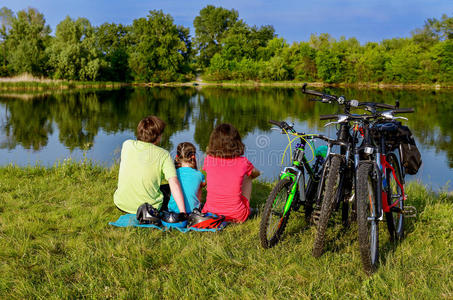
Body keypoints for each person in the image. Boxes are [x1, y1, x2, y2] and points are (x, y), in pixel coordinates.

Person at [113, 115, 186, 214]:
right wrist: (183, 213)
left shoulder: (127, 145)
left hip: (121, 205)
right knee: (174, 187)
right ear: (158, 136)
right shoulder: (163, 155)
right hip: (150, 209)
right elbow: (173, 182)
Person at [202, 123, 260, 223]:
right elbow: (256, 173)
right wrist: (251, 174)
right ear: (237, 143)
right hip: (237, 216)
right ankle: (246, 209)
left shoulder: (209, 159)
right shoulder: (243, 162)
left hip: (210, 213)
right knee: (248, 176)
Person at [167, 142, 206, 213]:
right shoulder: (199, 175)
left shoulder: (173, 173)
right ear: (193, 156)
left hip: (173, 211)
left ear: (177, 157)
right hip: (193, 212)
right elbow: (201, 190)